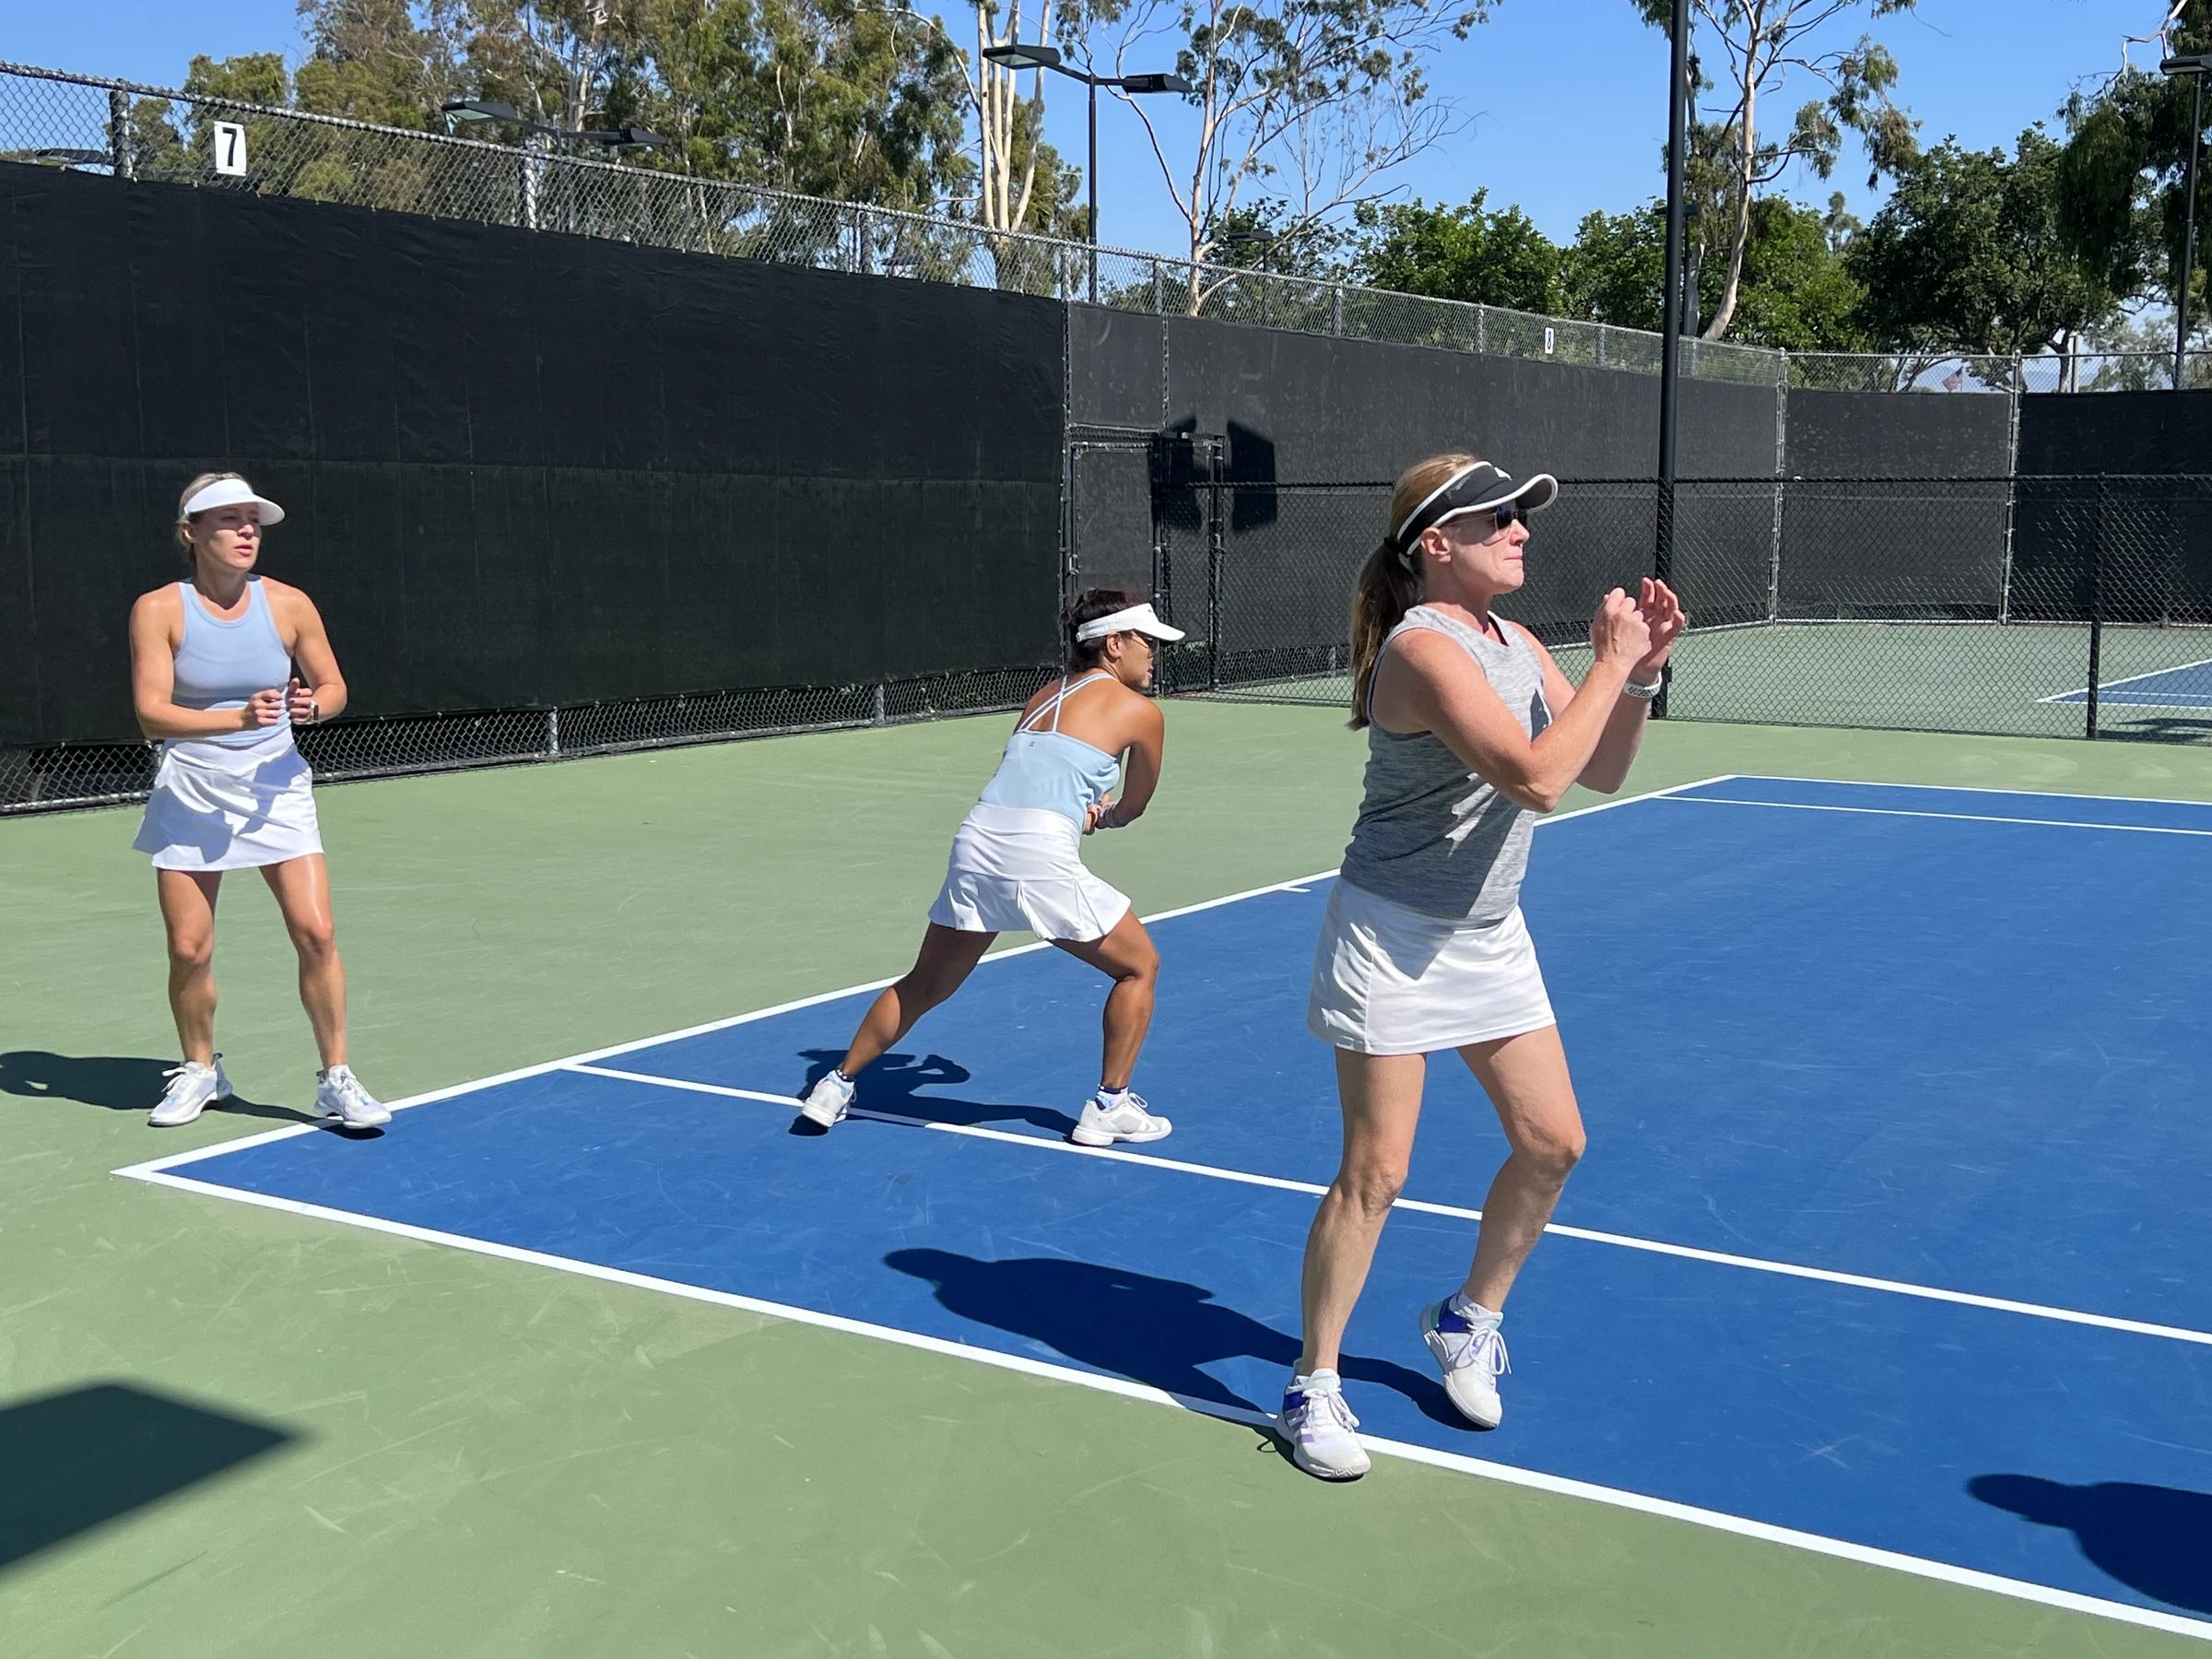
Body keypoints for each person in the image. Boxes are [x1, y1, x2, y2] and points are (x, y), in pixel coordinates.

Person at [1280, 453, 1686, 1481]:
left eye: (1520, 517)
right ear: (1436, 544)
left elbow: (1600, 768)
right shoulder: (1422, 651)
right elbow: (1537, 780)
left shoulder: (1512, 640)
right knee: (1377, 1172)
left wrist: (1635, 675)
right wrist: (1609, 661)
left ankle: (1469, 1318)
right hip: (1393, 935)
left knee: (1553, 1144)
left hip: (1489, 932)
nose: (1522, 531)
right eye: (1499, 518)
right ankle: (1311, 1386)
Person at [797, 589, 1182, 1147]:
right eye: (1146, 641)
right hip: (1036, 850)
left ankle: (833, 1087)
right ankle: (1109, 1107)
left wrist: (1078, 809)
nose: (1154, 653)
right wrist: (1110, 815)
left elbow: (1040, 775)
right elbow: (1135, 802)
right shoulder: (1142, 713)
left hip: (977, 840)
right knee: (1139, 965)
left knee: (925, 983)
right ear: (1113, 644)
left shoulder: (1042, 698)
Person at [129, 473, 390, 1131]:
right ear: (191, 533)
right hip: (192, 789)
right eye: (228, 520)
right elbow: (151, 715)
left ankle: (336, 1079)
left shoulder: (289, 604)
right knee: (189, 949)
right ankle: (199, 1070)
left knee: (317, 932)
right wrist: (234, 721)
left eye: (253, 520)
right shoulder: (158, 609)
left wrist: (314, 706)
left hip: (276, 788)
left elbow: (333, 686)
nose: (247, 531)